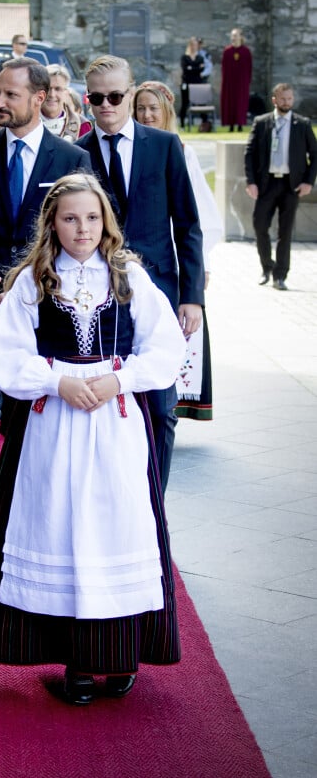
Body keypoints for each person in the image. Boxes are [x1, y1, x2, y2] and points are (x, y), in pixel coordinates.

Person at [0, 173, 186, 704]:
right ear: (52, 224)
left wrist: (119, 379)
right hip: (53, 424)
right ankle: (78, 664)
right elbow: (4, 355)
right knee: (60, 528)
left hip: (115, 423)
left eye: (91, 217)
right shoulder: (34, 279)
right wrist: (56, 381)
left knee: (116, 528)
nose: (82, 228)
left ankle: (121, 655)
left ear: (105, 220)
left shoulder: (127, 275)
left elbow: (166, 347)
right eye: (69, 218)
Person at [0, 56, 91, 575]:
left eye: (8, 94)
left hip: (45, 318)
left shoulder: (71, 158)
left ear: (40, 96)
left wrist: (37, 284)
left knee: (30, 424)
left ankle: (32, 530)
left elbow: (81, 240)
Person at [76, 55, 205, 492]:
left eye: (115, 96)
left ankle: (155, 510)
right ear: (87, 99)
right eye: (97, 98)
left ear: (131, 93)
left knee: (161, 407)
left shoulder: (164, 146)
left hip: (161, 292)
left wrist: (192, 295)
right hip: (96, 298)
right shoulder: (78, 154)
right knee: (108, 406)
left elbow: (187, 224)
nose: (106, 105)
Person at [133, 80, 224, 420]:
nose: (147, 114)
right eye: (141, 108)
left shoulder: (178, 150)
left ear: (166, 112)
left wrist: (198, 269)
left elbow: (195, 216)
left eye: (153, 108)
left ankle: (169, 404)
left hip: (171, 263)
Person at [245, 82, 317, 290]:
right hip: (267, 183)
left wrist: (307, 182)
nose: (287, 103)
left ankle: (280, 275)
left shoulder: (302, 124)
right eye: (283, 99)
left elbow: (315, 154)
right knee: (260, 226)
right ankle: (266, 266)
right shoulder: (262, 123)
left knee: (285, 232)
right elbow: (249, 153)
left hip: (291, 185)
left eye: (290, 99)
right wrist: (251, 182)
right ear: (274, 100)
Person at [40, 63, 92, 142]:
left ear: (66, 93)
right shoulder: (26, 121)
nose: (52, 94)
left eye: (58, 89)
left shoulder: (82, 125)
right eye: (48, 89)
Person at [220, 27, 252, 132]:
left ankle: (240, 124)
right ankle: (231, 125)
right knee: (230, 103)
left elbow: (249, 68)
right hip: (230, 83)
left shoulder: (246, 52)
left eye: (235, 35)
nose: (233, 38)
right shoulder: (227, 51)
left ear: (240, 37)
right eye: (232, 35)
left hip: (241, 82)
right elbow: (224, 68)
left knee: (240, 103)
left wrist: (247, 81)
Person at [179, 36, 204, 129]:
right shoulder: (184, 57)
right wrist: (196, 68)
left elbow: (201, 69)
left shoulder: (200, 57)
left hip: (197, 84)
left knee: (201, 104)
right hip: (186, 83)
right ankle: (182, 124)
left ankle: (204, 125)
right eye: (192, 45)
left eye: (196, 45)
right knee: (185, 104)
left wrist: (191, 68)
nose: (194, 47)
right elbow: (185, 69)